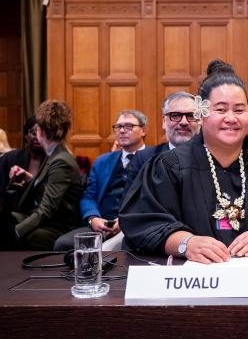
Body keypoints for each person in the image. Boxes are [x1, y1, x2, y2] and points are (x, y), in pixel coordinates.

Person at [120, 71, 248, 262]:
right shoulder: (169, 165)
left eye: (239, 110)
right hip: (188, 282)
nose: (231, 118)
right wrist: (185, 243)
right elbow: (142, 223)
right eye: (220, 110)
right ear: (201, 115)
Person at [52, 110, 148, 251]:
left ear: (143, 131)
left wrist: (126, 220)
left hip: (136, 225)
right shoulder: (102, 161)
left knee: (109, 250)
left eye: (128, 126)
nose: (122, 131)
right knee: (63, 244)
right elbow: (88, 196)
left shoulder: (155, 159)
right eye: (118, 127)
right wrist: (93, 219)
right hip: (102, 225)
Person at [1, 100, 82, 250]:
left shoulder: (61, 161)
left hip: (59, 226)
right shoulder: (54, 154)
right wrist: (30, 179)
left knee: (12, 231)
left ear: (39, 131)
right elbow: (52, 187)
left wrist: (16, 232)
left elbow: (46, 210)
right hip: (50, 221)